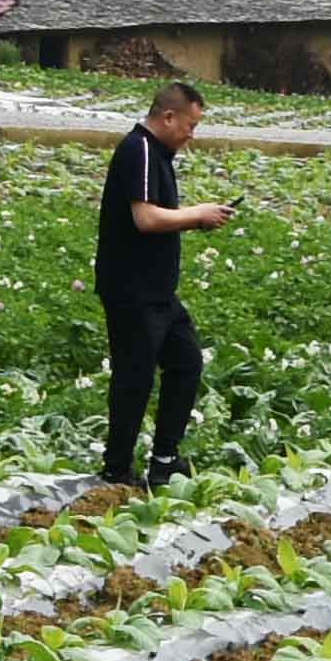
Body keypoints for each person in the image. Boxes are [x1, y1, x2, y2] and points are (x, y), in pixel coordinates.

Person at [93, 80, 236, 484]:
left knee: (186, 362)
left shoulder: (159, 155)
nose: (192, 135)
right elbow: (146, 218)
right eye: (190, 125)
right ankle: (117, 469)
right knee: (134, 377)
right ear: (168, 116)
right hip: (131, 288)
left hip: (157, 291)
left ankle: (164, 460)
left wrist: (199, 219)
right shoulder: (137, 149)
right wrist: (197, 215)